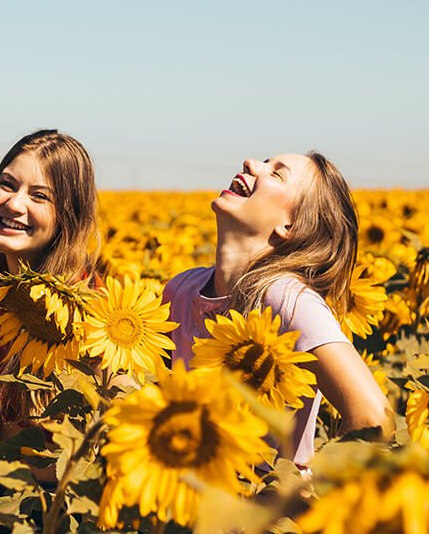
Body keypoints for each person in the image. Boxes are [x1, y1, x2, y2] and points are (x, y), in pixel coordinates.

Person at [163, 152, 392, 468]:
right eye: (264, 162)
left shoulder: (287, 300)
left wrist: (301, 497)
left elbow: (372, 416)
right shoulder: (180, 290)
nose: (250, 163)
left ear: (291, 226)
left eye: (276, 174)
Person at [0, 129, 100, 423]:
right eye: (7, 184)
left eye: (39, 196)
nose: (14, 204)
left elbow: (87, 424)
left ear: (68, 215)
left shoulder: (90, 302)